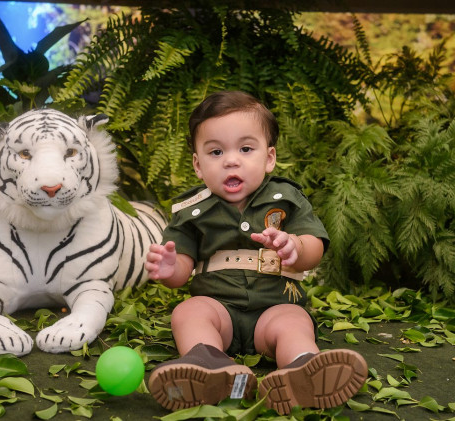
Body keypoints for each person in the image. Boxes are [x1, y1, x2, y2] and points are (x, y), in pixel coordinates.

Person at [145, 90, 367, 415]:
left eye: (246, 149)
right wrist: (170, 268)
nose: (231, 160)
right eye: (216, 152)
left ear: (269, 157)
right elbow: (181, 271)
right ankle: (209, 363)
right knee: (188, 313)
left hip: (275, 307)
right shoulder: (192, 212)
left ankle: (302, 367)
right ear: (198, 165)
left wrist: (296, 246)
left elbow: (315, 248)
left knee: (294, 322)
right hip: (218, 310)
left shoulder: (286, 199)